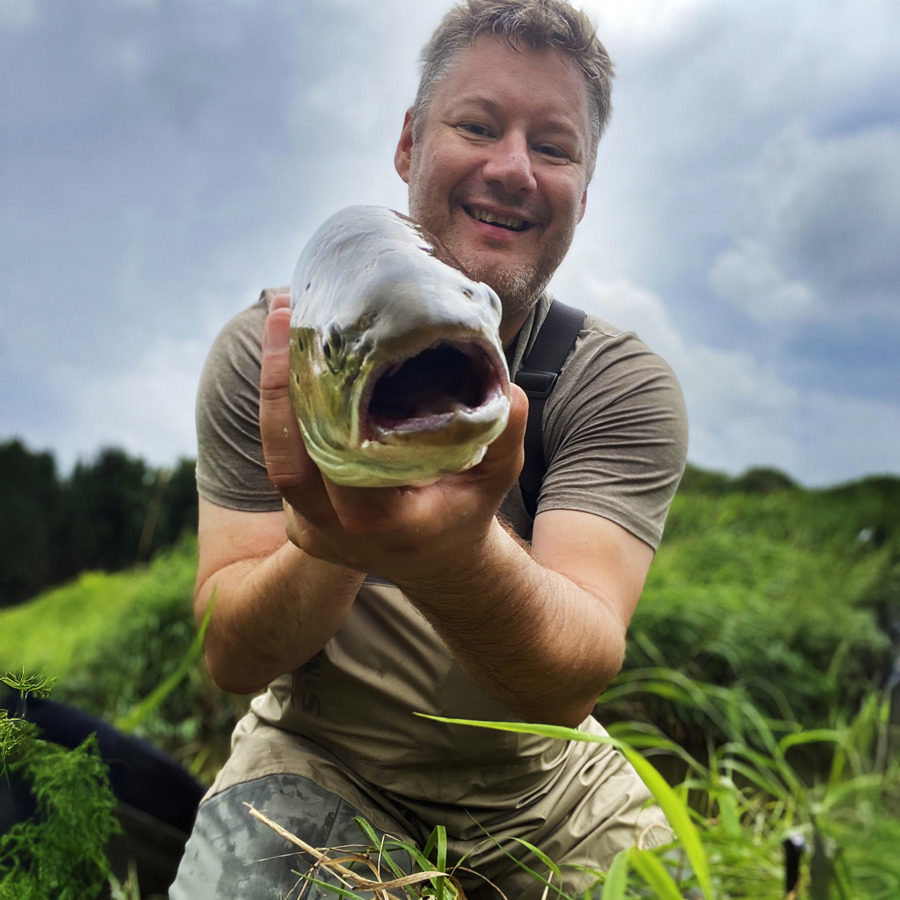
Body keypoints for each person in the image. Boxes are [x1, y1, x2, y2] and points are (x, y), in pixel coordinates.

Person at [170, 1, 688, 897]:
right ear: (410, 144)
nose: (514, 168)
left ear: (584, 192)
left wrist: (451, 552)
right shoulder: (265, 357)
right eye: (478, 126)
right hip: (321, 758)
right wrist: (323, 545)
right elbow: (230, 655)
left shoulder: (620, 385)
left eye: (555, 148)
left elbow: (570, 681)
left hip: (551, 786)